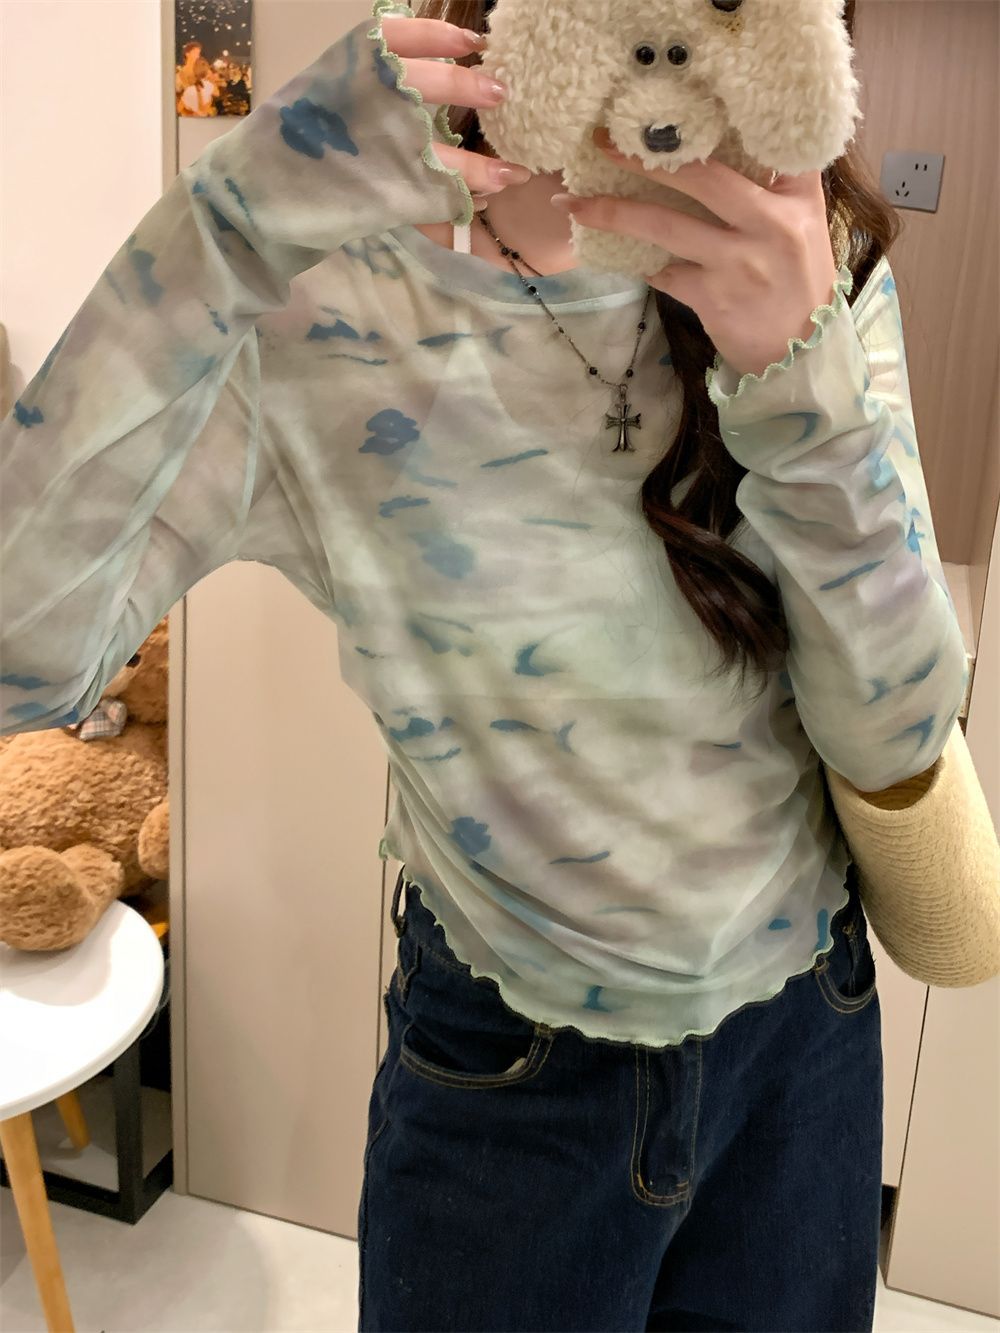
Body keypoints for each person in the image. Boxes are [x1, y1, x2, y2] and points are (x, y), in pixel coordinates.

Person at [0, 2, 967, 1330]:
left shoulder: (810, 252)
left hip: (804, 1042)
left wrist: (800, 384)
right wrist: (220, 227)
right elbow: (22, 661)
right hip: (509, 1075)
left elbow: (903, 731)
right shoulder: (323, 299)